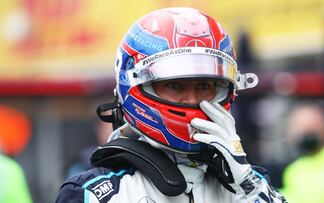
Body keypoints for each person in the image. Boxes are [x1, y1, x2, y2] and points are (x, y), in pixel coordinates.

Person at [56, 7, 287, 203]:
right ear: (135, 86)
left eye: (204, 86)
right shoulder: (95, 193)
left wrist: (248, 185)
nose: (191, 100)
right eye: (175, 86)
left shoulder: (248, 183)